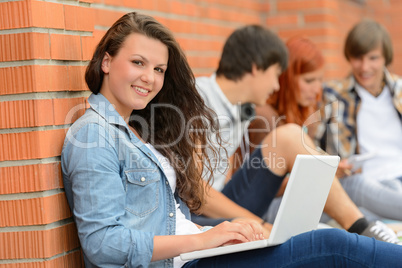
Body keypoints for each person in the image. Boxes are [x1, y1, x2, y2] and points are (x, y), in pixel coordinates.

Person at [61, 12, 402, 267]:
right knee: (331, 245)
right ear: (107, 61)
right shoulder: (94, 134)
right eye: (138, 63)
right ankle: (367, 231)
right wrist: (213, 237)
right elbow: (104, 245)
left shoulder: (137, 127)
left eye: (159, 70)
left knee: (322, 240)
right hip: (190, 254)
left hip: (199, 244)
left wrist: (222, 235)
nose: (149, 78)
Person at [192, 25, 400, 244]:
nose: (275, 85)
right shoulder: (198, 99)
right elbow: (197, 192)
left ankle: (365, 231)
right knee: (291, 138)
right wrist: (260, 225)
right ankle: (366, 233)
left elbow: (238, 176)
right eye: (274, 75)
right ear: (256, 68)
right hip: (198, 218)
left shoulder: (242, 109)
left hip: (226, 203)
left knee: (293, 140)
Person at [249, 35, 402, 242]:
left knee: (377, 190)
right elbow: (260, 187)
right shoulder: (265, 118)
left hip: (293, 202)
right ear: (285, 77)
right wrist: (325, 176)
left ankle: (379, 230)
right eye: (309, 80)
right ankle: (370, 231)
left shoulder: (303, 114)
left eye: (320, 80)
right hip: (265, 213)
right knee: (354, 186)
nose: (318, 89)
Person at [310, 19, 402, 222]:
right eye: (357, 58)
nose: (365, 67)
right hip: (364, 184)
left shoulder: (400, 91)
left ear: (386, 57)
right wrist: (332, 165)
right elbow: (311, 146)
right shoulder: (332, 94)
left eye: (373, 58)